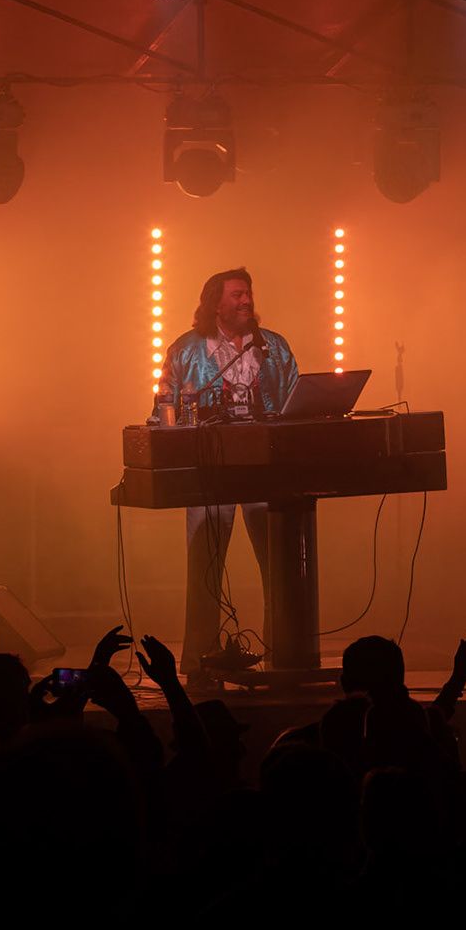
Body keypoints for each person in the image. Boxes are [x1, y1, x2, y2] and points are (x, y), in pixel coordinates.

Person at [158, 268, 299, 683]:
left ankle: (286, 653)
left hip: (266, 472)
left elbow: (297, 403)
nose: (246, 301)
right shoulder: (186, 350)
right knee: (205, 569)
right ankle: (199, 660)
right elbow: (163, 409)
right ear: (215, 303)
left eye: (248, 293)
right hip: (210, 472)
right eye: (237, 294)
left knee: (280, 566)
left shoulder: (273, 346)